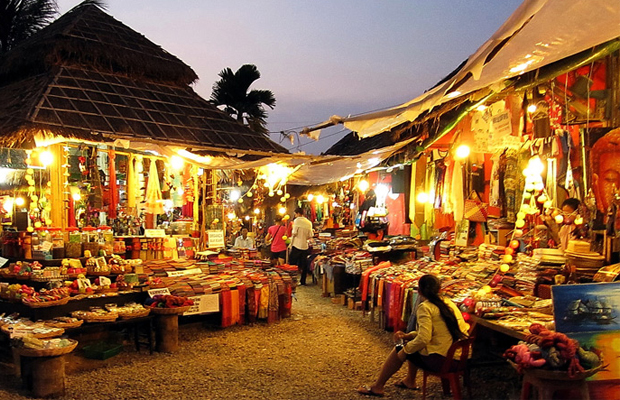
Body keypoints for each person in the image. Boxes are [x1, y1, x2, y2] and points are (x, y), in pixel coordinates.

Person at [357, 274, 469, 397]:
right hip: (459, 358)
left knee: (401, 348)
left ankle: (378, 386)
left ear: (419, 292)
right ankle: (409, 380)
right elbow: (431, 333)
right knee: (412, 344)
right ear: (440, 290)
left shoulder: (425, 307)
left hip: (442, 360)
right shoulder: (449, 304)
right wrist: (407, 336)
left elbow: (423, 338)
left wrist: (405, 350)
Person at [289, 207, 313, 285]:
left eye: (295, 214)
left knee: (293, 263)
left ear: (298, 213)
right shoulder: (309, 222)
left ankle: (293, 279)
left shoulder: (297, 221)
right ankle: (303, 281)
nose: (295, 216)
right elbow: (310, 235)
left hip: (296, 244)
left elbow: (294, 232)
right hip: (305, 245)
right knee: (304, 264)